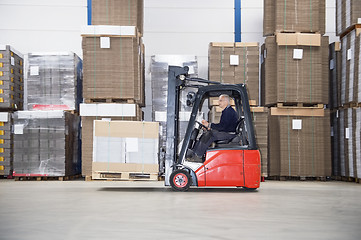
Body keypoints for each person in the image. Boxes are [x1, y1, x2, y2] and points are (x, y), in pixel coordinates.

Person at [188, 94, 238, 162]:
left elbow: (222, 127)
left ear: (226, 102)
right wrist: (210, 127)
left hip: (229, 133)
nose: (218, 102)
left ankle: (198, 155)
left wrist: (209, 125)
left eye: (220, 101)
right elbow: (222, 126)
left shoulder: (229, 111)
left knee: (210, 135)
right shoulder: (227, 110)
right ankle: (195, 153)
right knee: (208, 133)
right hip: (227, 131)